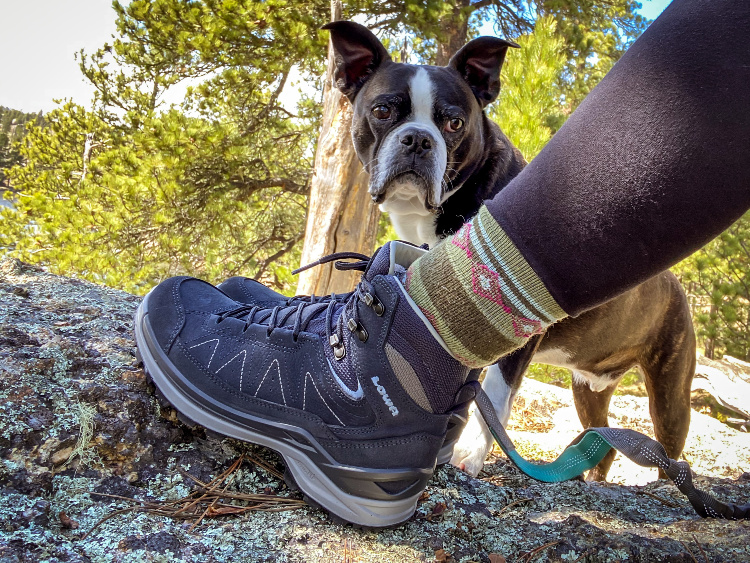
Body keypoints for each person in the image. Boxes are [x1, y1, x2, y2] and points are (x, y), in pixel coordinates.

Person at [134, 0, 750, 527]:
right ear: (352, 85)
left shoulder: (500, 186)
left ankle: (384, 384)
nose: (419, 137)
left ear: (479, 106)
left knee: (668, 436)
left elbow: (520, 330)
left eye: (449, 123)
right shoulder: (425, 200)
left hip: (644, 320)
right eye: (387, 114)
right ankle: (382, 339)